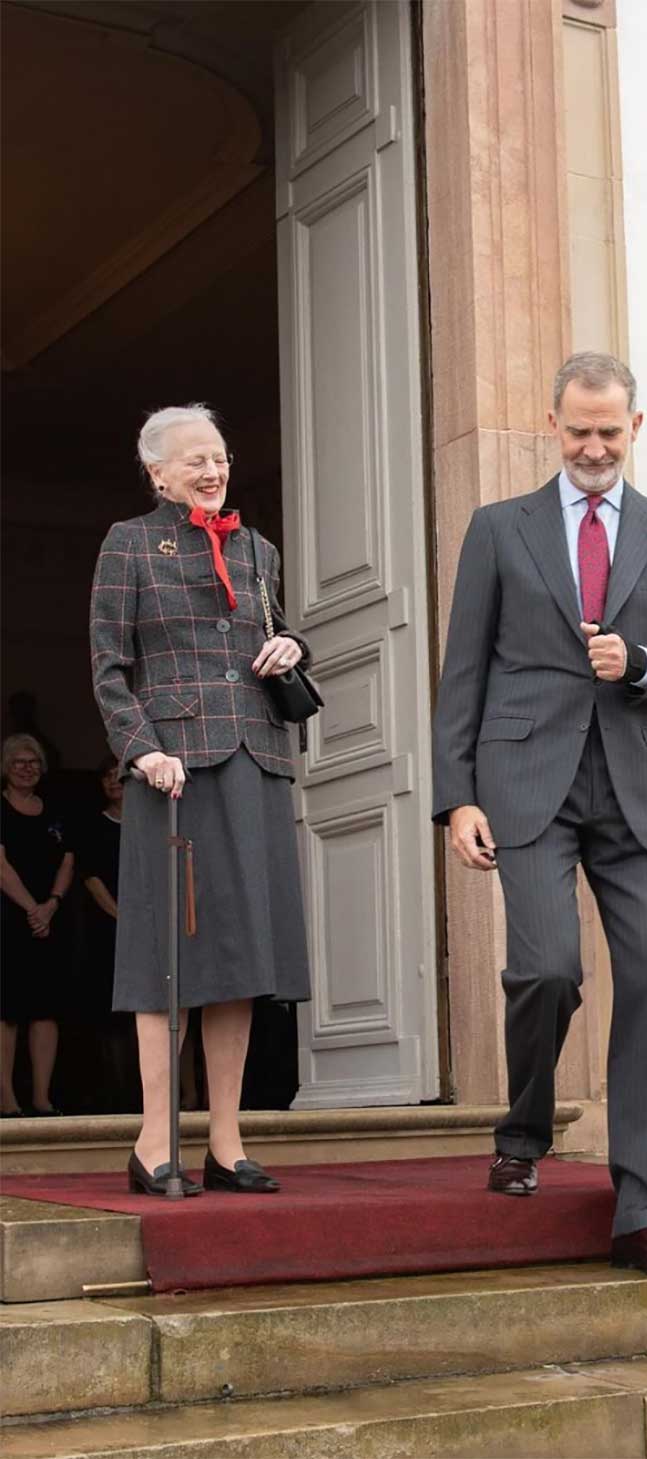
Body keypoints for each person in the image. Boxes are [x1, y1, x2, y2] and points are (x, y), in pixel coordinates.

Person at [433, 352, 647, 1279]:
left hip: (635, 785)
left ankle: (643, 1207)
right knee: (548, 968)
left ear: (636, 427)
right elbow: (462, 674)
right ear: (552, 426)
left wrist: (643, 666)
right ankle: (523, 1121)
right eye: (578, 430)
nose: (594, 447)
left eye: (610, 430)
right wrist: (457, 796)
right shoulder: (497, 528)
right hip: (525, 780)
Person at [89, 403, 311, 1196]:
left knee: (241, 956)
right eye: (194, 461)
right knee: (165, 951)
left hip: (253, 757)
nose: (212, 471)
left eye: (218, 456)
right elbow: (109, 665)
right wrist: (140, 746)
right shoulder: (127, 545)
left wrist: (292, 645)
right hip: (168, 770)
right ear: (156, 473)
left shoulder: (256, 548)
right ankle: (155, 1140)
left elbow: (275, 632)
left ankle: (225, 1139)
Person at [0, 734, 72, 1116]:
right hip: (10, 919)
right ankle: (7, 1100)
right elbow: (1, 865)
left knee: (46, 1009)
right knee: (7, 1010)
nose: (26, 768)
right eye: (17, 762)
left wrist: (51, 906)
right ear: (5, 769)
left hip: (50, 918)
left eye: (32, 762)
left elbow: (68, 859)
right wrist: (32, 909)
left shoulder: (55, 809)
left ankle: (42, 1098)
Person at [76, 756, 139, 1112]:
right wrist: (122, 917)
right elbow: (92, 878)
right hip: (108, 930)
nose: (113, 781)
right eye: (106, 776)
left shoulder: (151, 824)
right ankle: (119, 1098)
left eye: (119, 775)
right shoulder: (93, 826)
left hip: (148, 929)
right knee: (111, 1016)